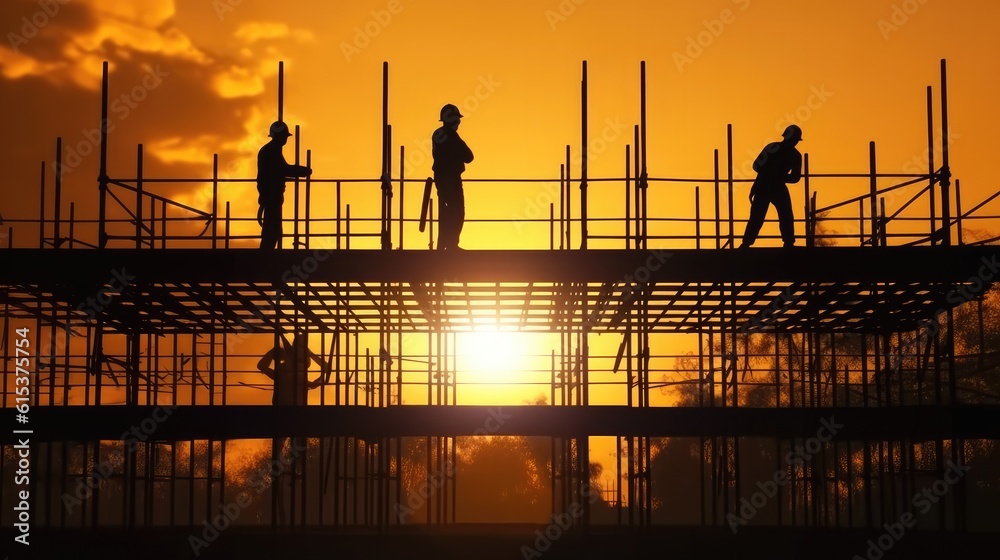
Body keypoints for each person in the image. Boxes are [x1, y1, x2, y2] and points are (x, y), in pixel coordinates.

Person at [739, 124, 803, 248]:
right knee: (758, 216)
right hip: (765, 185)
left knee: (785, 215)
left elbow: (795, 177)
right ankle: (746, 243)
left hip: (771, 185)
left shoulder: (791, 154)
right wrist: (774, 175)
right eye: (794, 139)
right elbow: (756, 165)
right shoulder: (775, 149)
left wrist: (777, 176)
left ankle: (788, 242)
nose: (795, 142)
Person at [257, 121, 312, 249]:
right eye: (284, 137)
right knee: (272, 230)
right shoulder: (271, 151)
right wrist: (302, 171)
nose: (285, 140)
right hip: (271, 195)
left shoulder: (271, 150)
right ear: (278, 137)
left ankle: (266, 255)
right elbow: (282, 169)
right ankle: (265, 257)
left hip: (272, 195)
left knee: (274, 229)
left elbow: (279, 171)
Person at [431, 103, 474, 250]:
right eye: (457, 119)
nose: (459, 122)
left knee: (446, 213)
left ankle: (444, 244)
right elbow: (469, 156)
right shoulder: (452, 136)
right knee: (457, 212)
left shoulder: (438, 134)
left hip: (441, 179)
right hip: (451, 180)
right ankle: (451, 245)